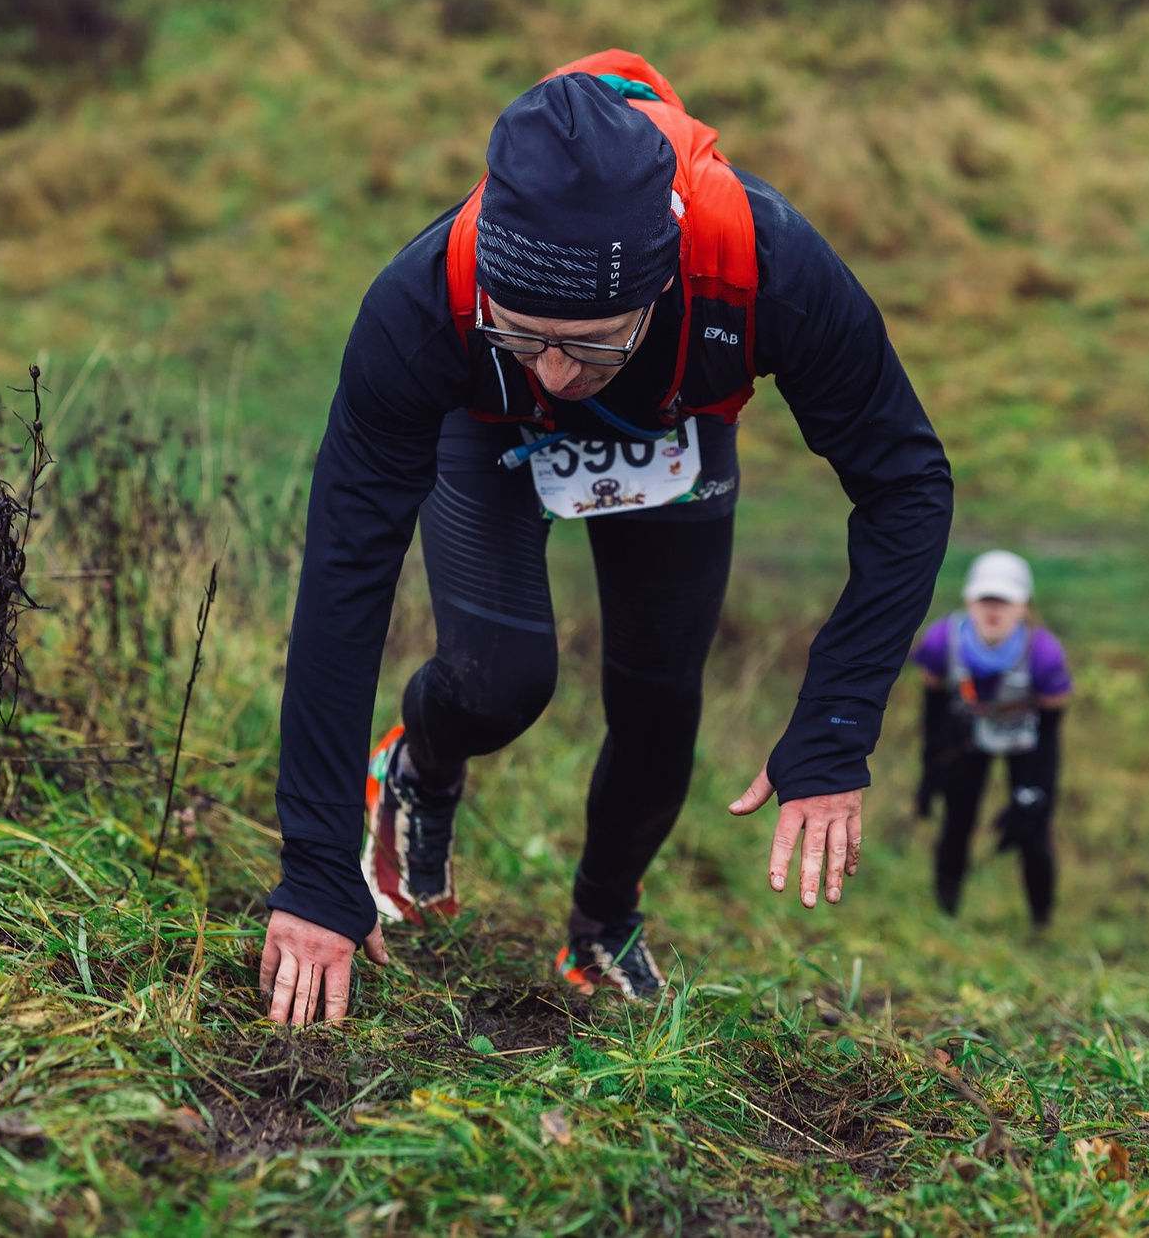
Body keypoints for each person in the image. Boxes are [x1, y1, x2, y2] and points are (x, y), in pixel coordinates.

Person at [257, 50, 952, 1025]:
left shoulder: (764, 262)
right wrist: (314, 867)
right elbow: (343, 574)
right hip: (486, 436)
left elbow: (907, 483)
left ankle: (601, 924)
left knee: (660, 707)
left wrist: (836, 723)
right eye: (521, 333)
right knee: (499, 681)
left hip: (674, 429)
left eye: (587, 343)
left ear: (663, 282)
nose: (549, 370)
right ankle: (419, 768)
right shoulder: (424, 304)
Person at [914, 550, 1070, 929]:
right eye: (986, 599)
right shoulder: (940, 642)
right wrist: (930, 766)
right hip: (966, 737)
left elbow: (1051, 729)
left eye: (1005, 600)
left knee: (1033, 832)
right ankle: (946, 916)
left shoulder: (1045, 655)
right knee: (957, 822)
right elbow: (932, 706)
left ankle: (1041, 924)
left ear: (1024, 607)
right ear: (969, 600)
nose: (993, 610)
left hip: (1027, 743)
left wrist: (1033, 791)